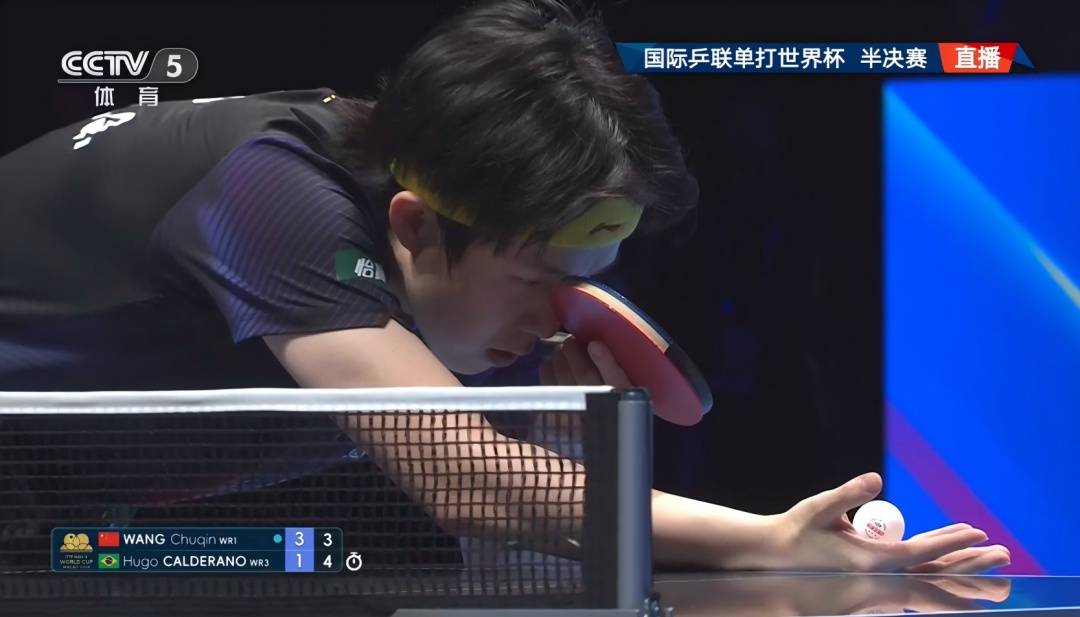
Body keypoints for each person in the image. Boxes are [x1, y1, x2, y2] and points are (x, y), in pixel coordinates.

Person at [0, 0, 1008, 573]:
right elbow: (467, 479)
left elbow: (517, 560)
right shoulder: (270, 196)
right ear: (414, 224)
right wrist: (768, 540)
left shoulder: (449, 265)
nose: (552, 319)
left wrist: (571, 444)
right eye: (540, 277)